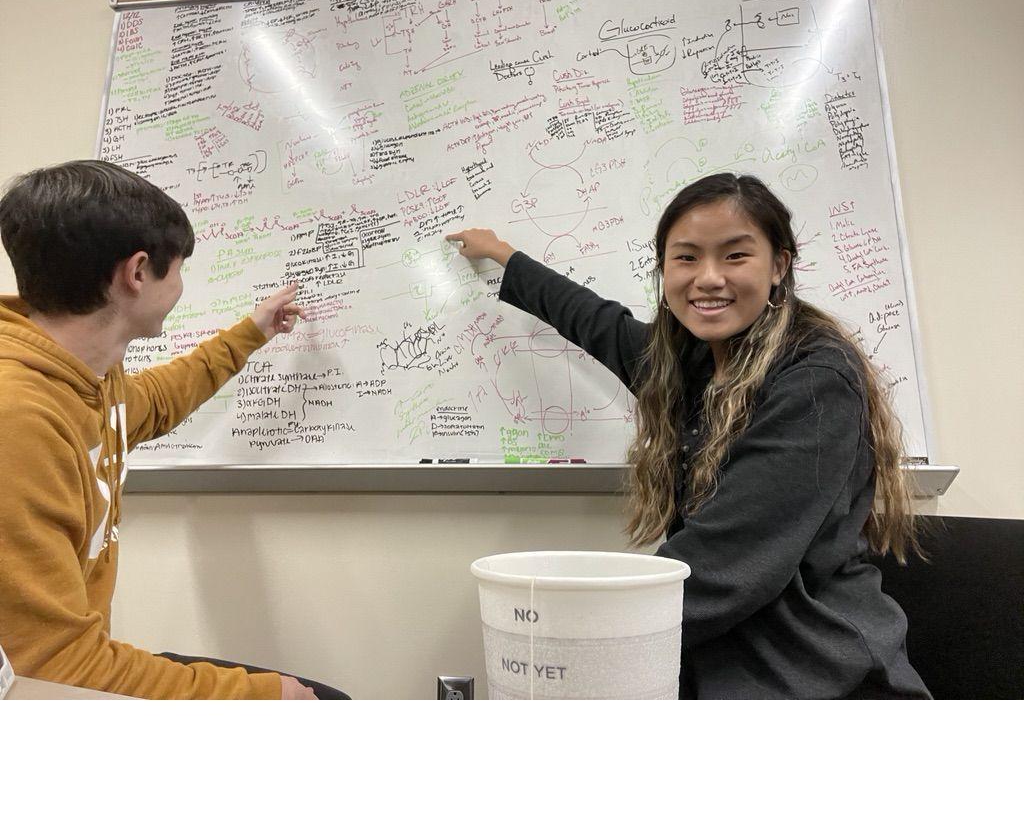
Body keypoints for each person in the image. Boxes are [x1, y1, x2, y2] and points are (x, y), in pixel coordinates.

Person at [447, 172, 930, 699]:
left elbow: (726, 566)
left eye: (735, 256)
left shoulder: (815, 381)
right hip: (713, 657)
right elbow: (591, 319)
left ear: (779, 266)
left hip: (809, 665)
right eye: (686, 257)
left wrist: (569, 643)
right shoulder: (685, 362)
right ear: (663, 270)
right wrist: (503, 254)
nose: (708, 278)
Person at [0, 160, 347, 699]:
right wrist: (268, 697)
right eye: (179, 268)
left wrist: (249, 335)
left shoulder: (87, 378)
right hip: (43, 692)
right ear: (137, 273)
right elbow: (49, 666)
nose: (181, 284)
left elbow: (156, 399)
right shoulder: (18, 417)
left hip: (66, 672)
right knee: (315, 703)